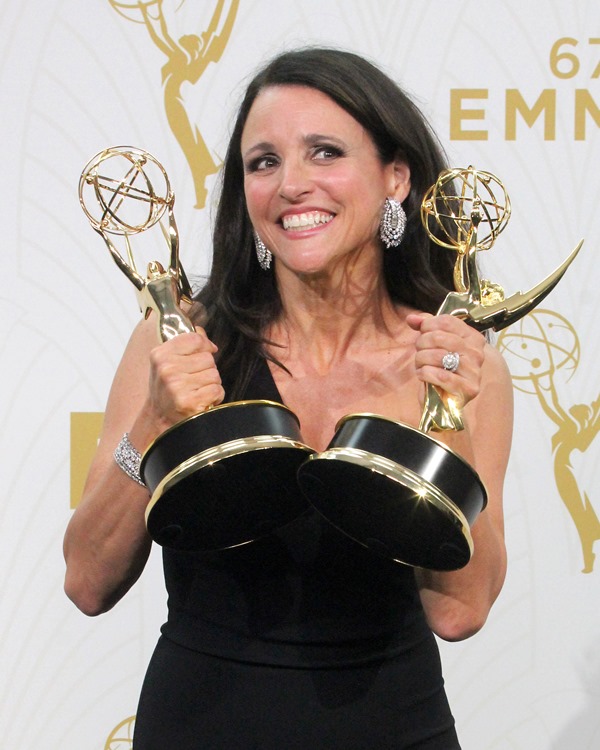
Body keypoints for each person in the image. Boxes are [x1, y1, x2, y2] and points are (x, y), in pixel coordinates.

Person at [63, 47, 513, 748]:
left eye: (325, 152)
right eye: (264, 162)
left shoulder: (455, 359)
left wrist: (445, 416)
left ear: (395, 177)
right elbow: (88, 581)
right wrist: (154, 421)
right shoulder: (179, 340)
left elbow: (461, 611)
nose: (292, 185)